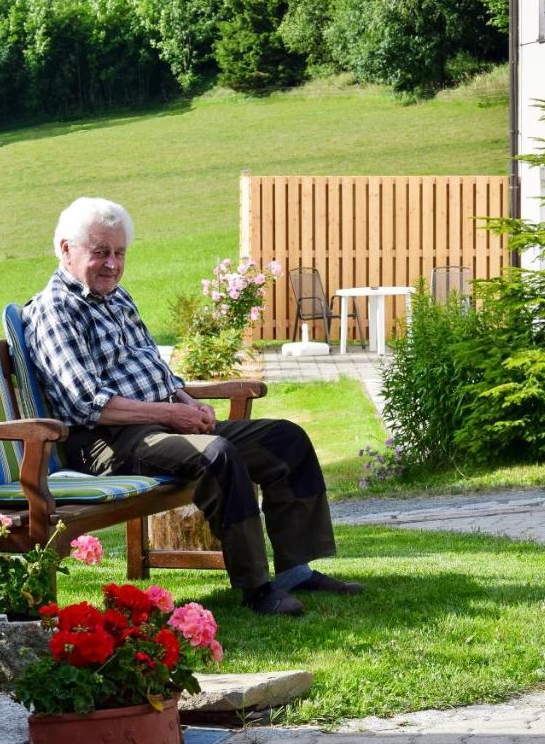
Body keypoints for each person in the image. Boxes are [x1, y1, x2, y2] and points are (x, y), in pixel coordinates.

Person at [22, 196, 362, 616]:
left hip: (162, 425)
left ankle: (296, 571)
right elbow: (88, 403)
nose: (112, 263)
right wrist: (171, 413)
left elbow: (156, 370)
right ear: (65, 249)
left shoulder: (117, 298)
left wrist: (186, 402)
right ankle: (257, 587)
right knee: (217, 454)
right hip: (108, 442)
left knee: (285, 440)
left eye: (119, 253)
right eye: (101, 253)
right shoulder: (56, 308)